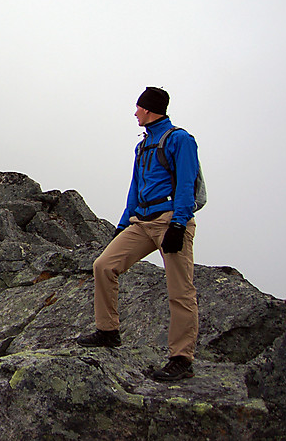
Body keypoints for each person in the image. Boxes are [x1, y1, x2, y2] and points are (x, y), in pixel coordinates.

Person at [77, 87, 200, 381]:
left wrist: (179, 224)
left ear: (149, 109)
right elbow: (135, 186)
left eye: (138, 108)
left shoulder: (179, 139)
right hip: (141, 222)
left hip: (169, 220)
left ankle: (181, 358)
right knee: (104, 265)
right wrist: (122, 224)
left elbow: (186, 183)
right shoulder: (143, 145)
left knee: (180, 290)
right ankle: (108, 332)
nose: (135, 113)